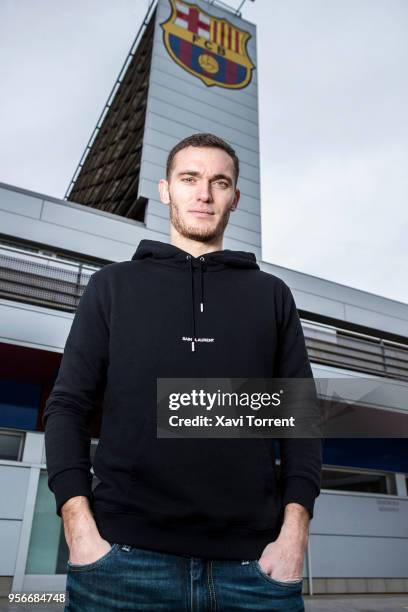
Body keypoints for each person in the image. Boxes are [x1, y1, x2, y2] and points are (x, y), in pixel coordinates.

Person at [43, 132, 322, 611]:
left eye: (220, 182)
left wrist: (294, 535)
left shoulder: (271, 295)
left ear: (235, 198)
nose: (204, 193)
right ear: (166, 188)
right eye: (190, 178)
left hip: (253, 571)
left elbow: (299, 420)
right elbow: (68, 406)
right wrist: (78, 525)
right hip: (122, 565)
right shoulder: (113, 286)